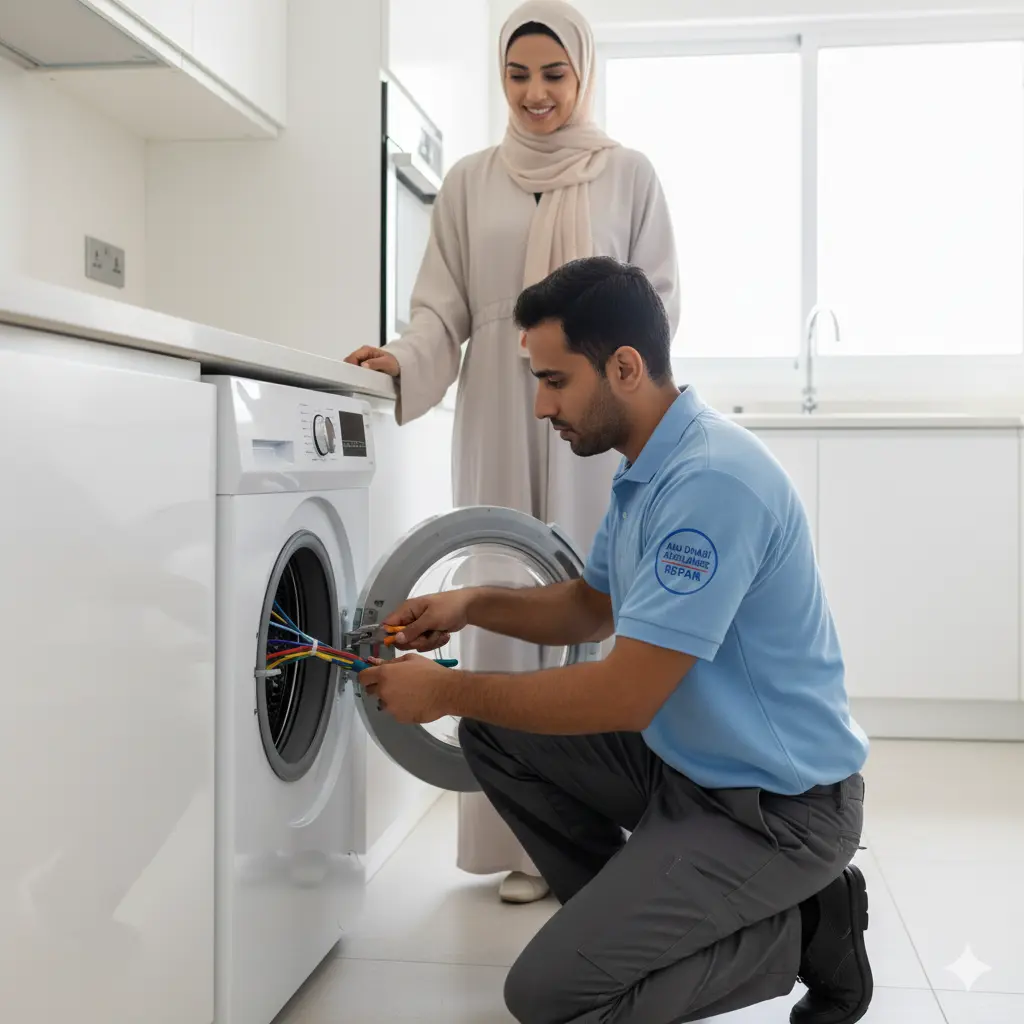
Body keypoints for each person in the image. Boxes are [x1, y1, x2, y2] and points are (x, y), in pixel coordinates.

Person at [360, 257, 873, 1024]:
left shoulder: (710, 484)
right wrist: (470, 605)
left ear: (625, 367)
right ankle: (639, 919)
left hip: (779, 807)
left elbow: (627, 693)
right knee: (494, 736)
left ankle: (805, 930)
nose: (540, 406)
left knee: (549, 999)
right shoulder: (649, 468)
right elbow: (590, 606)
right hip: (692, 767)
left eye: (555, 380)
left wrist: (443, 687)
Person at [346, 0, 679, 904]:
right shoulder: (468, 180)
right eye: (519, 74)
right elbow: (439, 307)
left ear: (583, 75)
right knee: (499, 589)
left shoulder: (629, 175)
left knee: (587, 596)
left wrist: (612, 388)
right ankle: (521, 840)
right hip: (500, 395)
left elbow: (656, 309)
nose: (536, 93)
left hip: (592, 415)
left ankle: (601, 831)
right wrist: (404, 358)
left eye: (554, 74)